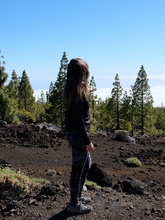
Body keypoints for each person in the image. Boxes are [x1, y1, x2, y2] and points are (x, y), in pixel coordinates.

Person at [63, 58, 95, 214]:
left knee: (86, 165)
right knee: (77, 170)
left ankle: (78, 196)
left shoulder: (72, 90)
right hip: (78, 136)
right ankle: (74, 204)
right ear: (81, 74)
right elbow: (79, 121)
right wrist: (87, 141)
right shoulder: (78, 94)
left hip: (75, 134)